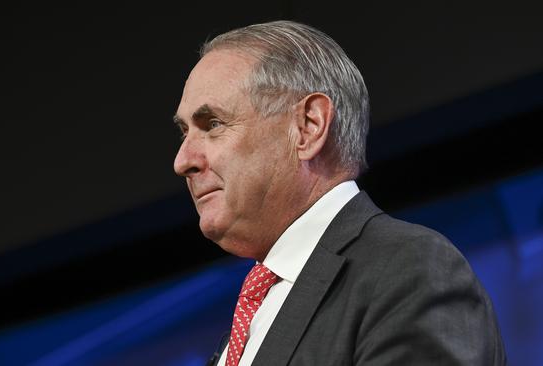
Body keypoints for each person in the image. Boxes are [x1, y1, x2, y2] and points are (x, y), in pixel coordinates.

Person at [173, 20, 506, 366]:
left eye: (212, 125)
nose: (182, 161)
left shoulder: (408, 269)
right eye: (184, 133)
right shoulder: (251, 318)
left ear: (308, 127)